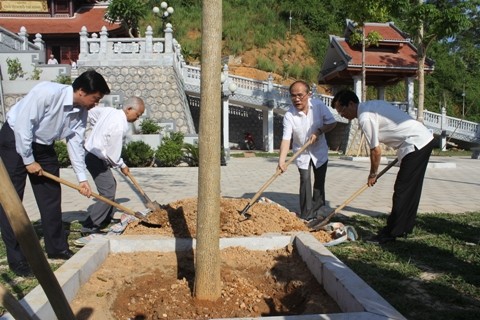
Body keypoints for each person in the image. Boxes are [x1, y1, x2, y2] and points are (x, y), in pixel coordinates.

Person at [0, 69, 110, 276]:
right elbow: (24, 126)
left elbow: (76, 143)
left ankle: (57, 248)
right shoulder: (46, 93)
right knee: (11, 201)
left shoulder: (81, 112)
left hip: (44, 145)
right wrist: (28, 160)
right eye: (95, 99)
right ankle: (16, 259)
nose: (96, 104)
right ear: (81, 91)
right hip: (14, 140)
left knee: (51, 196)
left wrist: (82, 179)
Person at [331, 89, 435, 244]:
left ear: (351, 104)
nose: (342, 115)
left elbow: (375, 151)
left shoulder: (365, 117)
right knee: (411, 189)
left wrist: (373, 174)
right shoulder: (372, 105)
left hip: (416, 142)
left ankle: (391, 233)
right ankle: (405, 227)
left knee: (402, 189)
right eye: (339, 112)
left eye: (342, 110)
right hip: (421, 139)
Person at [80, 97, 145, 236]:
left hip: (93, 154)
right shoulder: (119, 126)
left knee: (111, 185)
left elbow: (91, 113)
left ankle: (105, 218)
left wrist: (97, 128)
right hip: (95, 158)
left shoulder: (109, 111)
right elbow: (113, 156)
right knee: (108, 192)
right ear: (129, 109)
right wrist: (123, 165)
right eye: (137, 115)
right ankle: (89, 226)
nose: (137, 118)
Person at [278, 80, 337, 221]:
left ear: (309, 94)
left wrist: (319, 131)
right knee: (305, 180)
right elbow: (286, 139)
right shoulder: (289, 116)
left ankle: (319, 213)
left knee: (319, 182)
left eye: (300, 95)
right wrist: (282, 161)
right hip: (301, 152)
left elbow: (332, 122)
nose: (296, 99)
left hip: (319, 151)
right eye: (293, 96)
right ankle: (306, 214)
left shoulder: (318, 106)